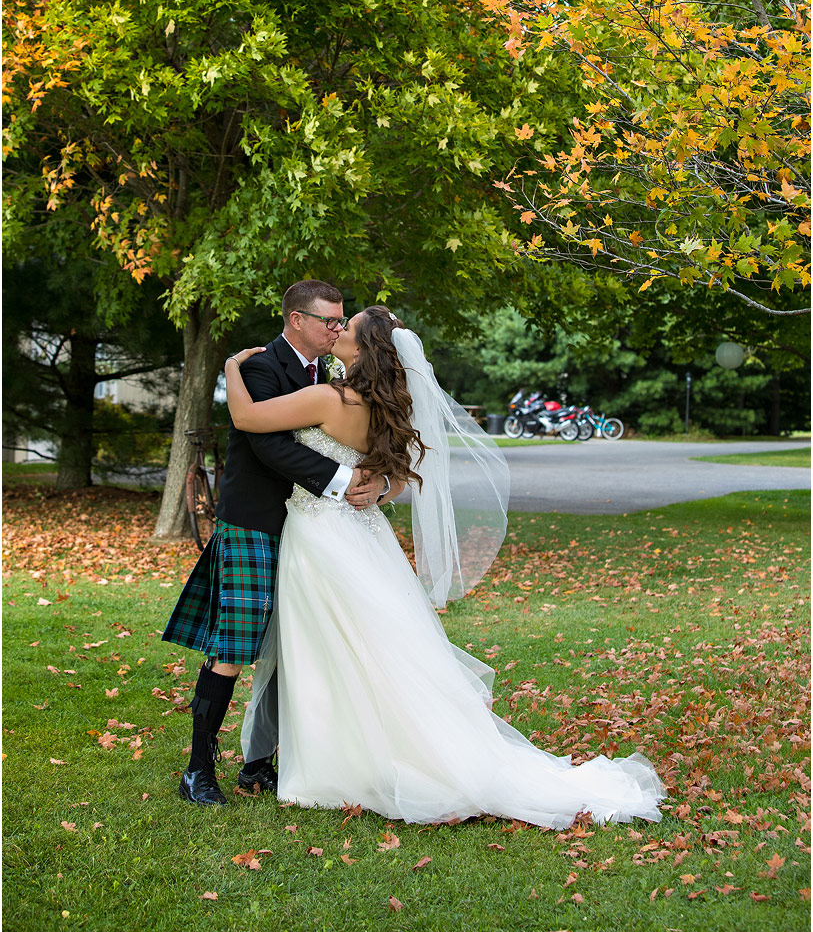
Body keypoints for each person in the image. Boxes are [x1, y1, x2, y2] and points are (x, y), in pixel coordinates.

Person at [223, 306, 666, 828]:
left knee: (327, 643)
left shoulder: (328, 396)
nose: (337, 330)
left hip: (322, 534)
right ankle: (352, 748)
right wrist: (385, 487)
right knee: (364, 646)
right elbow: (405, 474)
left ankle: (336, 759)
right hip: (362, 536)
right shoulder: (385, 407)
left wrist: (231, 367)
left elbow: (248, 418)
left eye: (348, 327)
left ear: (364, 352)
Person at [162, 281, 398, 806]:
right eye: (329, 321)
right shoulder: (260, 368)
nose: (337, 329)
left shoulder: (335, 373)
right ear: (296, 319)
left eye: (342, 323)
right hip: (256, 522)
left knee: (294, 643)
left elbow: (387, 448)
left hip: (312, 530)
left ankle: (259, 763)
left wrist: (379, 483)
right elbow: (265, 444)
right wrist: (342, 481)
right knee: (236, 645)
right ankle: (199, 770)